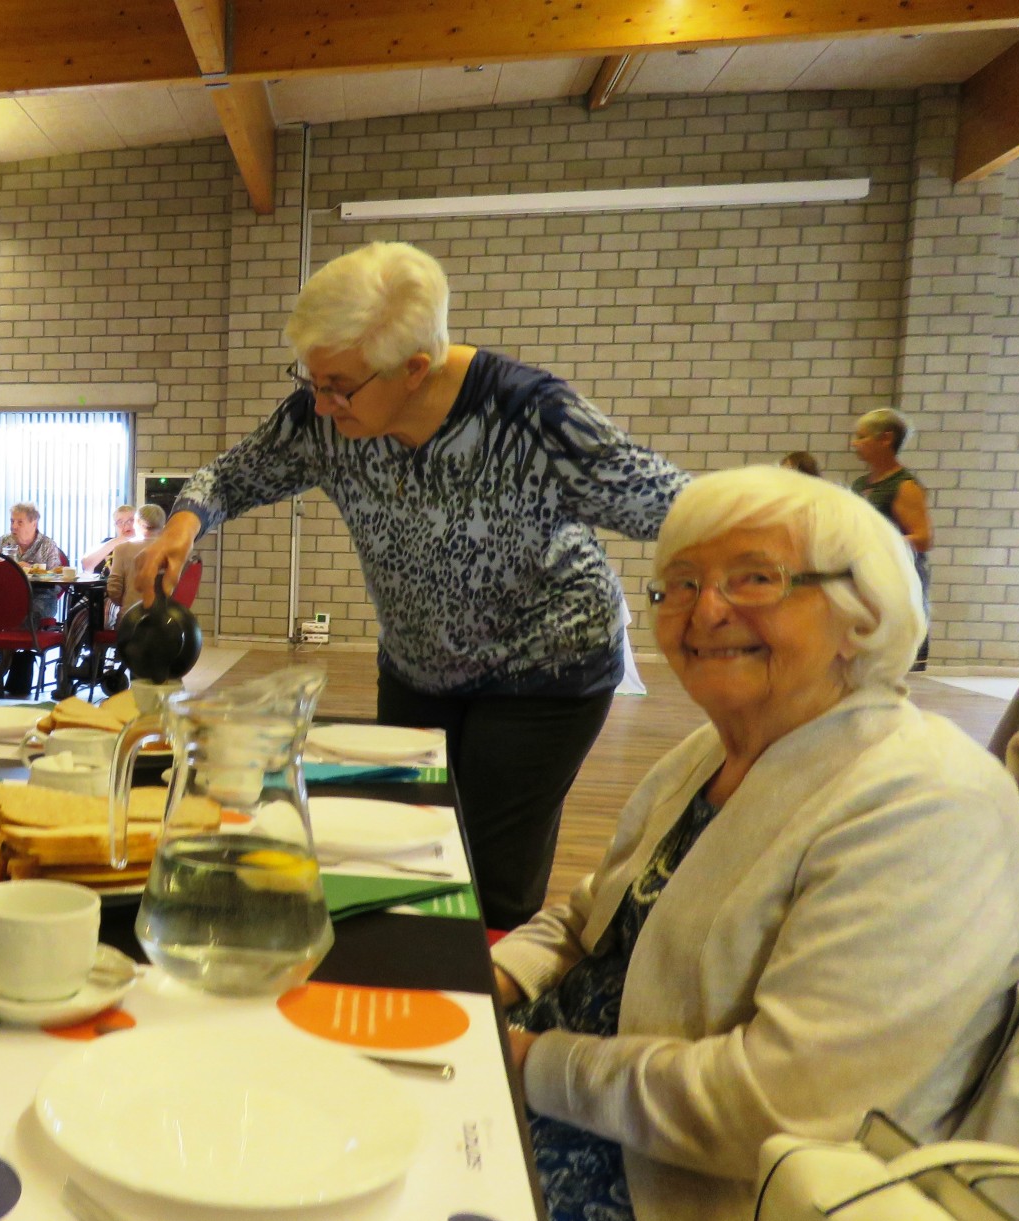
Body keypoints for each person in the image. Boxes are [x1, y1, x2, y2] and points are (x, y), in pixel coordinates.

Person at [492, 465, 1019, 1221]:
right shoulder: (713, 749)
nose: (705, 610)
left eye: (755, 578)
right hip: (543, 1077)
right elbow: (597, 909)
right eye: (679, 583)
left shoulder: (928, 804)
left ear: (863, 614)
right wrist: (492, 977)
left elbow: (778, 1105)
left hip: (669, 1192)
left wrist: (525, 1062)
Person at [135, 241, 689, 929]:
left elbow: (670, 502)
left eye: (338, 385)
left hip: (546, 668)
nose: (322, 402)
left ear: (414, 368)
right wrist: (182, 524)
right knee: (398, 852)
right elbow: (233, 474)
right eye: (312, 379)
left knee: (487, 881)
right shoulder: (326, 417)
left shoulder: (529, 416)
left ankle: (485, 1011)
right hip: (418, 665)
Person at [850, 407, 934, 671]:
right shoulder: (861, 483)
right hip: (866, 577)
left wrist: (879, 542)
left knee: (889, 665)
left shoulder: (904, 485)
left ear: (886, 438)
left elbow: (922, 539)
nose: (854, 443)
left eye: (862, 437)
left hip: (896, 580)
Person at [0, 502, 69, 696]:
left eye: (19, 522)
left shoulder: (46, 544)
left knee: (26, 614)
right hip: (10, 596)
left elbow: (58, 577)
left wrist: (32, 569)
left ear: (33, 523)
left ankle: (3, 667)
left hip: (41, 596)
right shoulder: (5, 541)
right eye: (12, 521)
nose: (14, 526)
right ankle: (10, 662)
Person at [104, 504, 167, 616]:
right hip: (164, 618)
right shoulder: (172, 549)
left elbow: (114, 588)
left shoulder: (122, 549)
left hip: (131, 617)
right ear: (163, 525)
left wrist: (124, 602)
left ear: (137, 523)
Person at [80, 505, 139, 572]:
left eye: (131, 520)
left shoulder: (148, 545)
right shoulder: (108, 543)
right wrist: (120, 540)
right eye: (120, 522)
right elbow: (86, 565)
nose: (126, 525)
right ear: (115, 526)